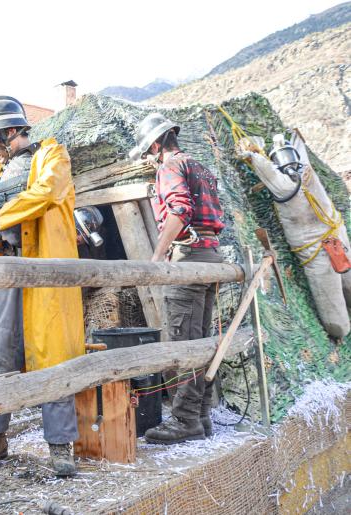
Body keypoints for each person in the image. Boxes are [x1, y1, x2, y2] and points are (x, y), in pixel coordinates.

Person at [0, 96, 85, 476]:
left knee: (52, 356)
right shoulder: (1, 173)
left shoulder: (53, 156)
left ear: (9, 131)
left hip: (43, 273)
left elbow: (45, 193)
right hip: (7, 271)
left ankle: (60, 446)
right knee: (1, 353)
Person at [129, 113, 225, 444]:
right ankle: (200, 417)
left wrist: (158, 256)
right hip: (211, 257)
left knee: (185, 343)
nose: (147, 159)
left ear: (156, 144)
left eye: (147, 152)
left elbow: (180, 209)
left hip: (188, 257)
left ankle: (185, 420)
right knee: (200, 341)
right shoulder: (201, 167)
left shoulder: (170, 167)